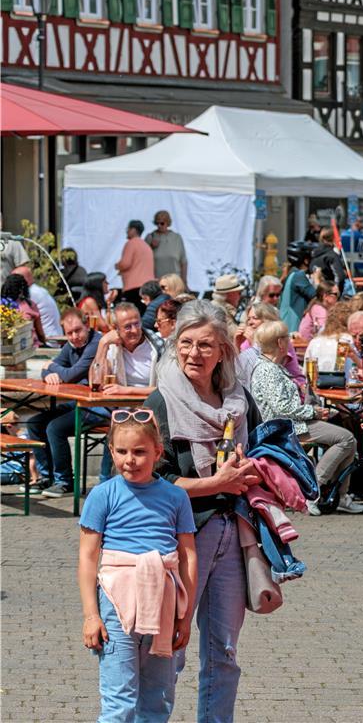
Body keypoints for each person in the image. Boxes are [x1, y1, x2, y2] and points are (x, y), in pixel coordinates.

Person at [143, 300, 263, 721]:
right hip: (180, 539)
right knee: (168, 649)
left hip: (233, 532)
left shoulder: (239, 400)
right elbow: (150, 481)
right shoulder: (161, 402)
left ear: (224, 351)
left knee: (224, 652)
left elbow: (262, 453)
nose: (194, 353)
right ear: (175, 346)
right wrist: (217, 483)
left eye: (205, 345)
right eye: (186, 343)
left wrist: (257, 469)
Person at [77, 409, 197, 723]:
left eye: (140, 451)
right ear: (111, 451)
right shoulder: (102, 495)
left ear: (158, 452)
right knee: (119, 700)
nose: (130, 459)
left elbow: (189, 556)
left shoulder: (176, 496)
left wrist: (185, 618)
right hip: (117, 599)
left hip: (164, 600)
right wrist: (91, 615)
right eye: (121, 451)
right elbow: (88, 557)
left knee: (158, 698)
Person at [250, 322, 362, 514]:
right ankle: (312, 489)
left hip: (289, 423)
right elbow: (282, 408)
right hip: (284, 427)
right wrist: (314, 412)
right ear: (280, 343)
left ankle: (338, 495)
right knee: (346, 439)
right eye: (287, 338)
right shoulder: (268, 370)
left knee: (347, 439)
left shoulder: (270, 366)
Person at [27, 308, 105, 497]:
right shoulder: (70, 346)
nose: (74, 336)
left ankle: (64, 481)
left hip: (98, 406)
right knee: (35, 423)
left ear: (86, 325)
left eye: (78, 330)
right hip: (78, 402)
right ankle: (47, 478)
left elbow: (71, 375)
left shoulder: (96, 343)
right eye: (69, 333)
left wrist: (51, 367)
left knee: (55, 427)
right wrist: (50, 371)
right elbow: (47, 371)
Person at [90, 302, 161, 483]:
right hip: (121, 408)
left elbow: (166, 388)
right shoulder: (114, 347)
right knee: (115, 425)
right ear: (116, 329)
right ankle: (106, 484)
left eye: (136, 323)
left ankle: (110, 480)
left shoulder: (157, 347)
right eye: (127, 326)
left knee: (121, 427)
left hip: (152, 407)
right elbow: (95, 382)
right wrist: (103, 344)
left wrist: (127, 390)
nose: (134, 330)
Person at [236, 302, 306, 392]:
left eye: (255, 318)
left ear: (267, 320)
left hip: (292, 389)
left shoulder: (279, 340)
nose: (250, 322)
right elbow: (239, 371)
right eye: (248, 319)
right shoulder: (246, 342)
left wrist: (254, 344)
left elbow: (270, 371)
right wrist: (236, 344)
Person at [115, 220, 156, 312]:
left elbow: (125, 263)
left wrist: (117, 265)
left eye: (128, 229)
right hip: (148, 286)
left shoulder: (131, 243)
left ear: (133, 230)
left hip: (134, 287)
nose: (127, 231)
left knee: (134, 313)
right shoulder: (146, 246)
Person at [280, 241, 317, 332]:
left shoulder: (291, 273)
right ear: (306, 260)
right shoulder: (298, 275)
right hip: (294, 326)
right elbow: (317, 296)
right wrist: (317, 280)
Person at [2, 273, 46, 347]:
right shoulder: (30, 305)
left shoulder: (3, 307)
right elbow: (40, 333)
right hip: (31, 346)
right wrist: (44, 342)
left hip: (7, 347)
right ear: (22, 289)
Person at [145, 210, 188, 282]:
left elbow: (183, 262)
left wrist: (184, 281)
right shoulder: (150, 237)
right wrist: (151, 247)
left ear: (167, 223)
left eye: (162, 223)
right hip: (156, 282)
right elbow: (142, 259)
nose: (159, 225)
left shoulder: (177, 238)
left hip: (174, 282)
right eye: (157, 223)